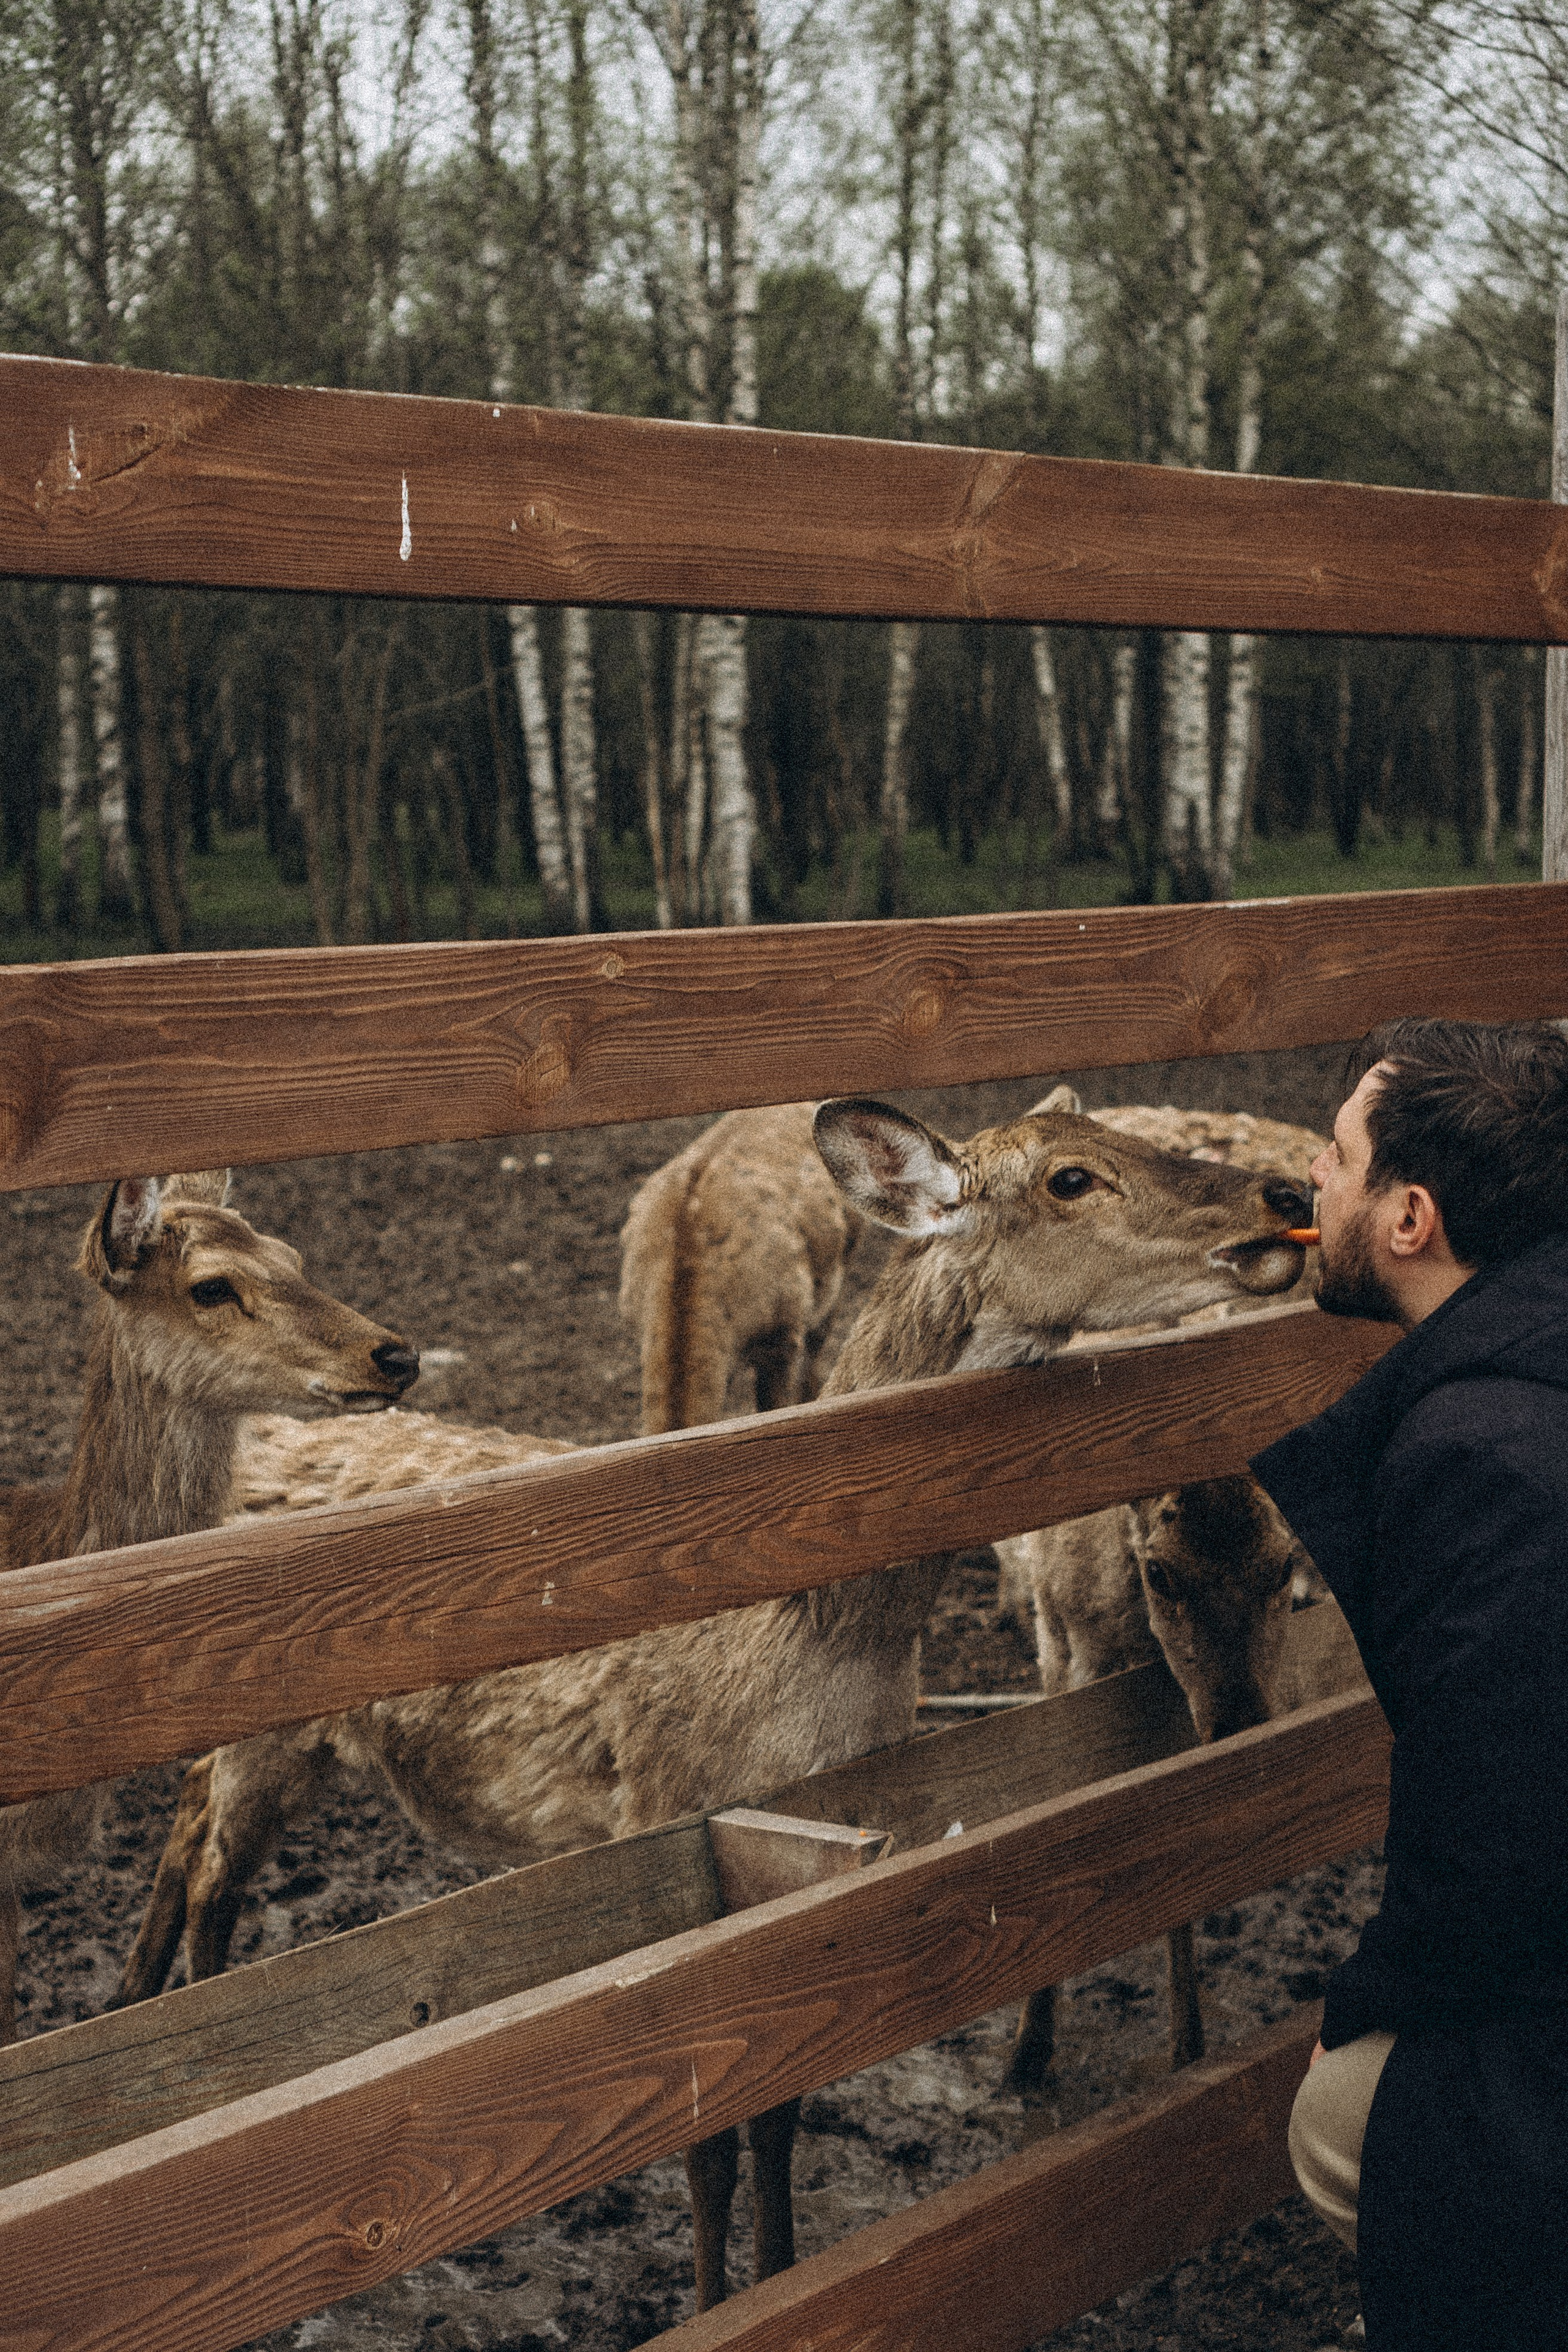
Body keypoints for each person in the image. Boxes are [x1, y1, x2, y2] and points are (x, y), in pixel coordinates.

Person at [1250, 1018, 1568, 2351]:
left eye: (1336, 1157)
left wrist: (1364, 2011)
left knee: (1345, 2120)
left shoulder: (1483, 1457)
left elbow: (1493, 1837)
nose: (1308, 1183)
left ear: (1408, 1219)